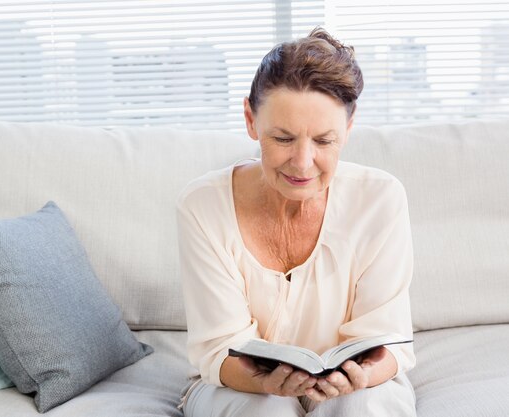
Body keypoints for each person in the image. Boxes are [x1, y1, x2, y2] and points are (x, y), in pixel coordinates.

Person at [176, 27, 416, 417]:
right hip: (239, 384)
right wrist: (265, 383)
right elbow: (218, 349)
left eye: (324, 141)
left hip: (356, 387)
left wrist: (357, 376)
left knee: (362, 409)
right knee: (265, 411)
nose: (303, 164)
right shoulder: (202, 205)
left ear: (348, 129)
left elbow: (389, 343)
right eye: (283, 139)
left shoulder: (380, 199)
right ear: (251, 121)